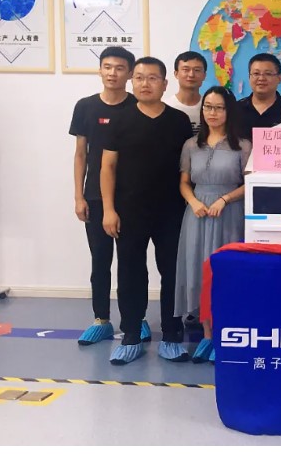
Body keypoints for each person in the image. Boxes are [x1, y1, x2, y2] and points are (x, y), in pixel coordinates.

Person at [101, 57, 194, 365]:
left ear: (165, 84)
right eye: (139, 78)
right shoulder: (119, 119)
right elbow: (107, 167)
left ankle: (171, 336)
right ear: (132, 82)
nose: (145, 83)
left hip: (171, 212)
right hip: (129, 212)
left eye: (152, 78)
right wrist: (109, 210)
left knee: (172, 273)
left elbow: (187, 168)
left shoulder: (179, 121)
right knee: (130, 273)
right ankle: (131, 335)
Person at [70, 46, 152, 345]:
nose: (112, 73)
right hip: (94, 195)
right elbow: (81, 154)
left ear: (130, 74)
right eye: (107, 67)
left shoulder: (139, 106)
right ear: (100, 70)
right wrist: (78, 196)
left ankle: (137, 318)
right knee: (100, 261)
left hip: (130, 198)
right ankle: (101, 319)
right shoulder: (85, 106)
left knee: (133, 262)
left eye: (119, 68)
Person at [175, 86, 252, 363]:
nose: (212, 113)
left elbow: (251, 184)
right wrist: (193, 201)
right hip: (197, 214)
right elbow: (184, 182)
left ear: (229, 111)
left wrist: (225, 199)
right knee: (199, 271)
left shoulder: (243, 145)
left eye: (219, 107)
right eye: (208, 107)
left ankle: (224, 334)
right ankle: (207, 335)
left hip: (228, 213)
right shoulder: (191, 145)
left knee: (223, 274)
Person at [236, 53, 281, 141]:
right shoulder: (235, 109)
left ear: (279, 78)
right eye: (256, 73)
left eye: (268, 74)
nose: (261, 78)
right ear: (249, 77)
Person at [166, 51, 208, 136]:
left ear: (204, 75)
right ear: (176, 74)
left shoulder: (210, 107)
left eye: (197, 70)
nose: (191, 74)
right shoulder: (166, 107)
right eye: (186, 70)